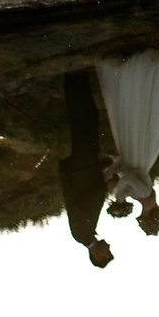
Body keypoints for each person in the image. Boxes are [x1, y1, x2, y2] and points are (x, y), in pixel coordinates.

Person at [96, 48, 159, 235]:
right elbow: (130, 177)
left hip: (134, 158)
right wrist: (119, 196)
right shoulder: (146, 197)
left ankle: (132, 74)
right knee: (134, 118)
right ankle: (133, 73)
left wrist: (112, 178)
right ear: (150, 220)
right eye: (145, 226)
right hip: (137, 157)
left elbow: (125, 173)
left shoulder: (144, 199)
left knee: (134, 117)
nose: (141, 225)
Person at [57, 69, 114, 269]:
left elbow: (83, 202)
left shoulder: (82, 235)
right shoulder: (88, 233)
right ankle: (76, 78)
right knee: (87, 122)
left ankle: (74, 78)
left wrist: (106, 186)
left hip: (81, 168)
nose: (109, 248)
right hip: (85, 168)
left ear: (97, 256)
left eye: (108, 253)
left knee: (84, 123)